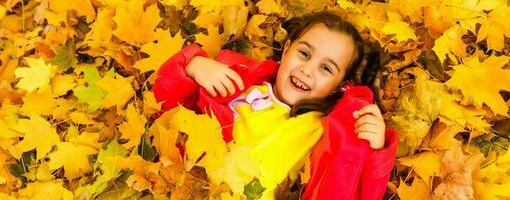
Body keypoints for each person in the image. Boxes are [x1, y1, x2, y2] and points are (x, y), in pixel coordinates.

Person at [153, 11, 397, 200]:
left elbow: (358, 190)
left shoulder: (323, 131)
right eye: (304, 54)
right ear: (287, 49)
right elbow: (168, 107)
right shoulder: (241, 85)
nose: (307, 70)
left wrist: (374, 150)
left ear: (339, 85)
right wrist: (192, 66)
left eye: (326, 68)